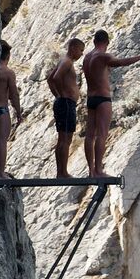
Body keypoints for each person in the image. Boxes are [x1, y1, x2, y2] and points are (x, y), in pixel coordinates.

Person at [81, 29, 140, 177]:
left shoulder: (87, 58)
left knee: (90, 135)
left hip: (90, 99)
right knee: (102, 134)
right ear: (107, 42)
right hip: (103, 99)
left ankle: (91, 171)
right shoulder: (103, 56)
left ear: (94, 41)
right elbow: (121, 62)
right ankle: (98, 171)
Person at [46, 37, 84, 178]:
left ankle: (61, 172)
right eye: (80, 50)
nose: (81, 53)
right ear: (73, 48)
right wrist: (61, 95)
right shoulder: (67, 62)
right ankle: (62, 172)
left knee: (64, 139)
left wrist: (58, 95)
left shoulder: (65, 61)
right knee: (65, 139)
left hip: (66, 102)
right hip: (66, 103)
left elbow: (50, 78)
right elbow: (55, 78)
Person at [0, 41, 24, 177]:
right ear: (8, 56)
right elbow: (14, 94)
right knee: (2, 141)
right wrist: (18, 111)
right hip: (2, 109)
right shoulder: (8, 73)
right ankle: (1, 171)